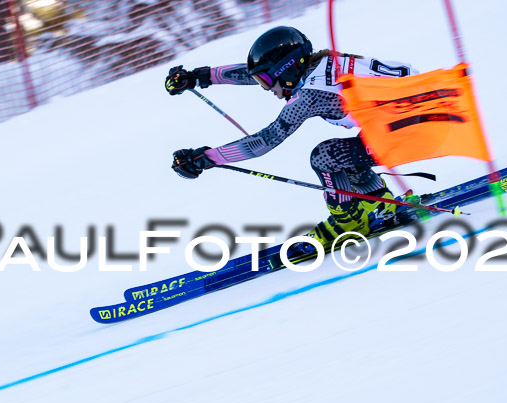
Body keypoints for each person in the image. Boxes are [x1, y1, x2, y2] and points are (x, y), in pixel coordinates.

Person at [165, 26, 418, 250]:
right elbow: (251, 73)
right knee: (350, 151)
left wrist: (205, 158)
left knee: (325, 157)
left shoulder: (310, 95)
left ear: (288, 69)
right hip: (423, 115)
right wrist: (200, 76)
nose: (268, 90)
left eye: (266, 82)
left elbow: (265, 140)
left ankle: (348, 223)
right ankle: (381, 203)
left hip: (411, 128)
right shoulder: (322, 65)